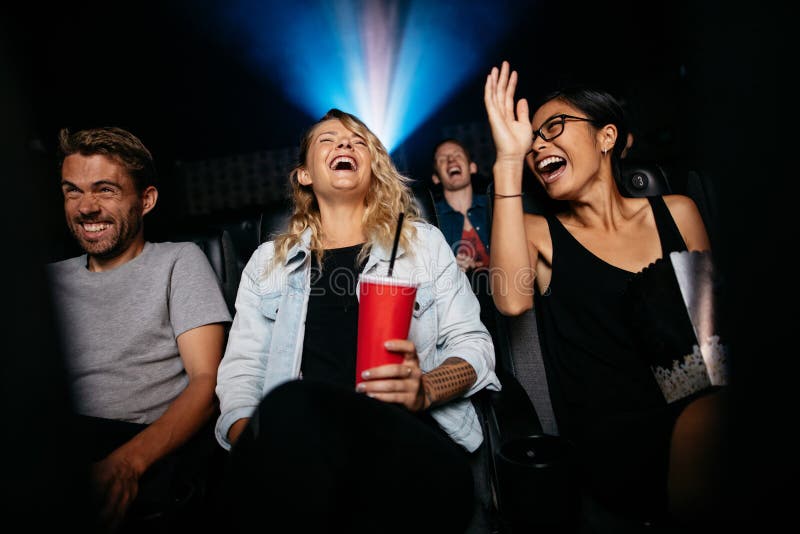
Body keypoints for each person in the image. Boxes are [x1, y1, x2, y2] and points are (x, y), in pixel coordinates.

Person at [215, 108, 500, 533]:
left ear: (373, 167)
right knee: (288, 408)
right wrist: (263, 455)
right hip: (307, 458)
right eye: (328, 140)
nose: (345, 144)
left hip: (408, 441)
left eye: (358, 140)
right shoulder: (265, 264)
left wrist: (426, 387)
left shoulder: (423, 244)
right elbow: (241, 374)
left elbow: (475, 346)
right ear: (304, 176)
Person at [483, 61, 712, 530]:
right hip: (613, 451)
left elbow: (714, 347)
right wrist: (508, 162)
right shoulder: (536, 233)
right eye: (533, 141)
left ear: (606, 137)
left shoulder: (678, 213)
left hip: (702, 423)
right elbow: (509, 301)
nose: (539, 145)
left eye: (556, 127)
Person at [46, 127, 232, 533]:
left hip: (145, 446)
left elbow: (207, 384)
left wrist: (127, 466)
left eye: (105, 190)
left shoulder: (179, 262)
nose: (85, 208)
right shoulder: (45, 281)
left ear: (145, 200)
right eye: (72, 191)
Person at [431, 138, 497, 344]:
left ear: (472, 167)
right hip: (460, 312)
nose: (451, 160)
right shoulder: (429, 223)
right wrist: (451, 267)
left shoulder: (496, 206)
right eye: (443, 159)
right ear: (436, 178)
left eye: (457, 155)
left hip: (505, 302)